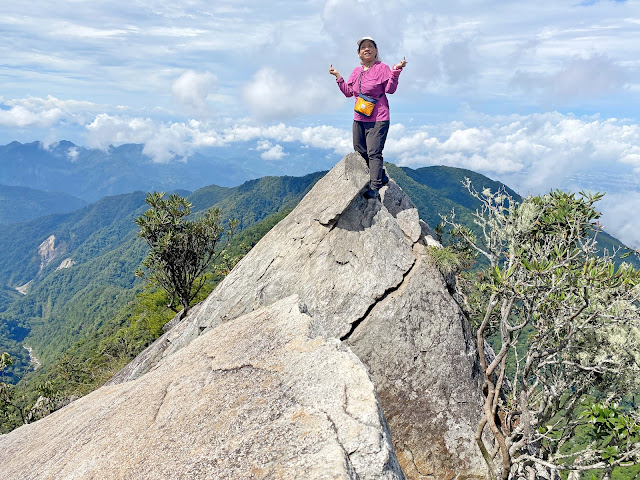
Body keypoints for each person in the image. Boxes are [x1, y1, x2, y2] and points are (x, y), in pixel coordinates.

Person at [329, 36, 407, 199]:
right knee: (360, 150)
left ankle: (375, 186)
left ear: (376, 50)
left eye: (370, 46)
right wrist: (338, 77)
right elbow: (348, 92)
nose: (367, 49)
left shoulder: (382, 68)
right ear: (359, 53)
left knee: (374, 152)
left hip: (379, 116)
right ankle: (381, 174)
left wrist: (396, 71)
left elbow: (390, 89)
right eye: (363, 47)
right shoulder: (357, 71)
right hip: (359, 116)